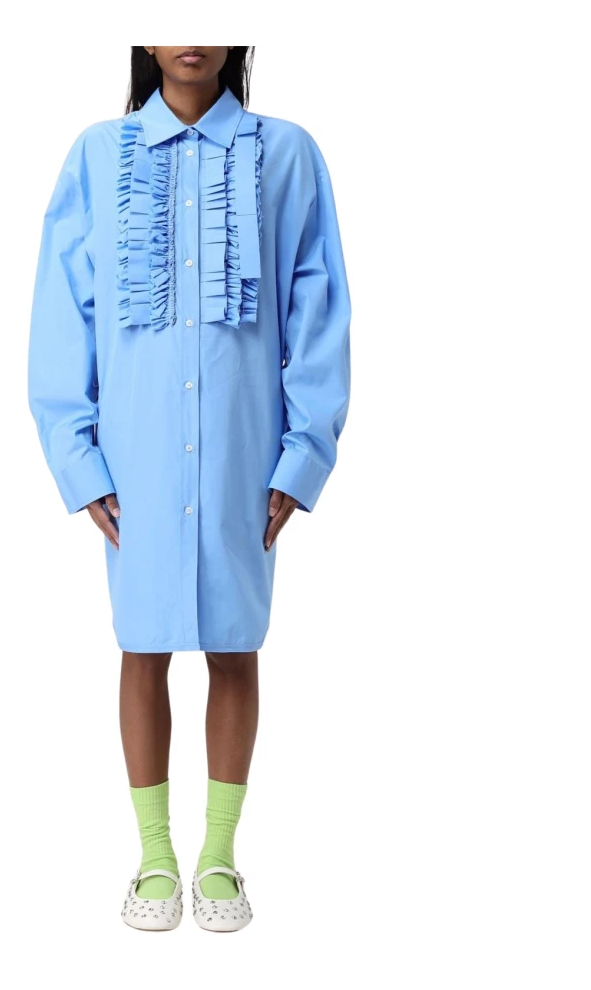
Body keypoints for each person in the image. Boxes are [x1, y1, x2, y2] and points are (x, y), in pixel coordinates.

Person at [28, 46, 350, 932]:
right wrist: (78, 458)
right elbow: (63, 312)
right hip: (136, 456)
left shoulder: (287, 154)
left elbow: (318, 307)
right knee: (142, 644)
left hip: (244, 450)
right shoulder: (98, 155)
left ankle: (218, 854)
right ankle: (154, 856)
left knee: (236, 644)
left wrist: (303, 455)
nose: (190, 36)